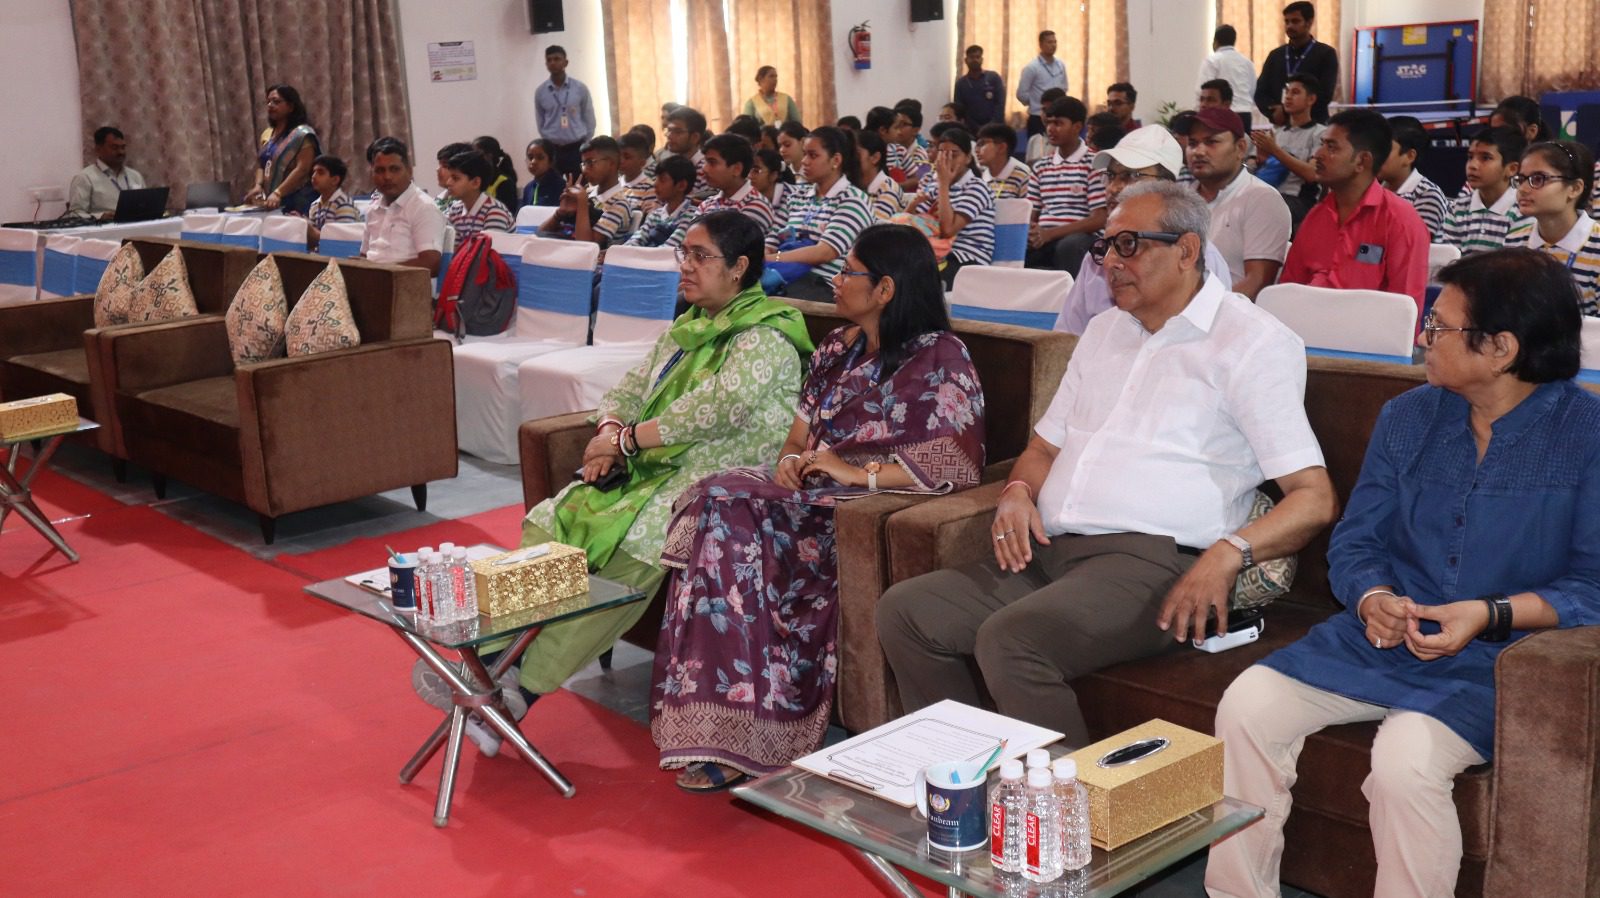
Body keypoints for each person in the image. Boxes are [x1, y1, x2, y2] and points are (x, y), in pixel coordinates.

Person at [878, 179, 1338, 745]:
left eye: (1128, 245)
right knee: (905, 612)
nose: (1108, 263)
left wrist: (1230, 551)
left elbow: (1314, 498)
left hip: (1151, 565)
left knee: (1013, 640)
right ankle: (968, 785)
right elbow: (1044, 448)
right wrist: (1018, 492)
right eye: (1104, 247)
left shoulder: (1252, 343)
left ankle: (1073, 824)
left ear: (1187, 251)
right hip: (1053, 555)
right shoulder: (1103, 331)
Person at [1205, 247, 1600, 898]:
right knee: (1246, 708)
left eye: (1440, 326)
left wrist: (1487, 613)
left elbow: (1591, 588)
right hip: (1378, 640)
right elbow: (1356, 542)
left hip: (1504, 657)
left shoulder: (1584, 434)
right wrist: (1372, 598)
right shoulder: (1409, 416)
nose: (1426, 336)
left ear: (1500, 348)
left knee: (1405, 761)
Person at [415, 211, 815, 756]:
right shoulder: (687, 327)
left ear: (740, 267)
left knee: (635, 549)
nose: (686, 267)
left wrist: (625, 442)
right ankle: (487, 660)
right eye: (686, 255)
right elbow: (626, 390)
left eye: (702, 257)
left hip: (717, 481)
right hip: (655, 467)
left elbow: (716, 410)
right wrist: (607, 432)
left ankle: (518, 693)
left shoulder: (766, 335)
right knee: (561, 516)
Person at [653, 223, 986, 790]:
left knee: (728, 519)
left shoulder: (940, 356)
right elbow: (796, 439)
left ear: (885, 289)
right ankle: (719, 724)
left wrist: (856, 472)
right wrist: (790, 462)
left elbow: (957, 462)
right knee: (717, 497)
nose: (836, 280)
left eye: (849, 271)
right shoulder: (835, 347)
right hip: (801, 492)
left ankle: (747, 732)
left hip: (855, 510)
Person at [1053, 125, 1231, 334]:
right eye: (1111, 176)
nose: (1113, 188)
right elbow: (1067, 338)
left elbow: (1218, 340)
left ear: (1167, 186)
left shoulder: (1199, 257)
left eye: (1130, 176)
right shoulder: (1098, 257)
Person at [1280, 110, 1431, 315]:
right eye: (1322, 144)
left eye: (1331, 147)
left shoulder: (1401, 221)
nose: (1318, 154)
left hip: (1368, 341)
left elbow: (1405, 313)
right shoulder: (1316, 217)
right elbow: (1288, 293)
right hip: (1309, 335)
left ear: (1362, 161)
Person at [1180, 107, 1291, 299]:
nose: (1198, 151)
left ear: (1240, 148)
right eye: (1192, 143)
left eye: (1211, 142)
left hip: (1230, 317)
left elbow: (1257, 282)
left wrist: (1199, 313)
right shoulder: (1181, 199)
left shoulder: (1261, 199)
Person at [764, 126, 875, 300]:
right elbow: (772, 238)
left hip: (826, 283)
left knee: (768, 301)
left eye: (813, 155)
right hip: (783, 274)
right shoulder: (797, 195)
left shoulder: (853, 199)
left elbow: (824, 252)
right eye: (804, 154)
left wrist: (773, 258)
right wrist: (764, 256)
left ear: (835, 160)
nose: (805, 161)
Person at [1507, 141, 1600, 314]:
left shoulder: (1596, 247)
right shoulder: (1516, 240)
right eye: (1521, 179)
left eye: (1538, 179)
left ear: (1575, 188)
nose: (1523, 189)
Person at [1027, 96, 1107, 274]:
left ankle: (1075, 301)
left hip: (1082, 238)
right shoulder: (1041, 166)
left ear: (1077, 127)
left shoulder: (1094, 163)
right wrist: (1031, 232)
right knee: (1017, 247)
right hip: (1045, 237)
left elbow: (1099, 219)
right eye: (1049, 123)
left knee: (1070, 245)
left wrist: (1050, 233)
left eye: (1058, 123)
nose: (1050, 129)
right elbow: (1031, 215)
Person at [907, 128, 997, 286]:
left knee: (914, 280)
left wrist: (943, 184)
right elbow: (912, 224)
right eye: (942, 153)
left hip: (967, 259)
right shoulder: (931, 185)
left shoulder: (977, 187)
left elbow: (948, 230)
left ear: (968, 158)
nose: (946, 160)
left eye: (954, 155)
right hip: (933, 254)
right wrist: (912, 205)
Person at [668, 133, 776, 245]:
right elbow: (685, 242)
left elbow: (728, 253)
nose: (704, 168)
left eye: (712, 162)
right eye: (705, 161)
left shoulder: (756, 206)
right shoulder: (708, 204)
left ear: (737, 169)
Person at [362, 138, 447, 275]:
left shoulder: (423, 208)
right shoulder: (373, 209)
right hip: (372, 284)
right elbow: (364, 256)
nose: (387, 176)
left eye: (394, 169)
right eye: (380, 170)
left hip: (406, 288)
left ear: (409, 171)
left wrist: (381, 272)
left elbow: (431, 263)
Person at [1441, 126, 1527, 257]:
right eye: (1470, 157)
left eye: (1485, 158)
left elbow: (1512, 267)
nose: (1473, 165)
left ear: (1512, 169)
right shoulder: (1457, 209)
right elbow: (1447, 260)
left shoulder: (1523, 211)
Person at [1254, 2, 1339, 126]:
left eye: (1295, 21)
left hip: (1314, 124)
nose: (1289, 26)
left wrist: (1287, 110)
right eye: (1287, 21)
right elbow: (1260, 92)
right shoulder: (1276, 55)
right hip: (1281, 125)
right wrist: (1273, 111)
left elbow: (1325, 94)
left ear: (1309, 23)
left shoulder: (1325, 54)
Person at [543, 136, 634, 247]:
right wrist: (560, 213)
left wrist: (582, 204)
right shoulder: (588, 192)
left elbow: (586, 247)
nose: (585, 170)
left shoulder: (619, 204)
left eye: (590, 163)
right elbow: (540, 234)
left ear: (611, 164)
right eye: (583, 164)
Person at [243, 84, 319, 214]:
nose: (270, 105)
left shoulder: (302, 135)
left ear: (290, 106)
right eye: (268, 102)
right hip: (273, 200)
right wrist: (258, 185)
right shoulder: (267, 134)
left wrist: (279, 192)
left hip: (298, 198)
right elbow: (262, 164)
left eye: (276, 102)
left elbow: (302, 169)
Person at [1378, 116, 1449, 242]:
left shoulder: (1428, 196)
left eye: (1385, 149)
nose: (1376, 155)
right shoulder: (1372, 191)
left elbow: (1412, 248)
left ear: (1410, 156)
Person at [534, 45, 597, 178]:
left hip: (577, 147)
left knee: (580, 184)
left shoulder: (579, 88)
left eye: (557, 59)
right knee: (555, 187)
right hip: (552, 149)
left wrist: (585, 142)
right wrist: (547, 143)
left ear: (565, 62)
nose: (553, 63)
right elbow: (540, 122)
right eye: (549, 60)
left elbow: (589, 118)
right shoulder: (541, 92)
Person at [67, 126, 145, 219]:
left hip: (138, 228)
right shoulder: (85, 177)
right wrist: (101, 216)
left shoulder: (135, 175)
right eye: (114, 147)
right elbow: (75, 214)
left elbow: (145, 205)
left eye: (123, 147)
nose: (121, 152)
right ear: (98, 149)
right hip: (104, 230)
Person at [625, 155, 698, 248]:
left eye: (662, 180)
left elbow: (668, 249)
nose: (655, 184)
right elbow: (637, 239)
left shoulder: (692, 216)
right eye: (656, 178)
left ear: (681, 185)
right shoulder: (656, 214)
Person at [442, 151, 515, 243]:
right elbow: (453, 248)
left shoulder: (494, 211)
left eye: (455, 178)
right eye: (449, 177)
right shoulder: (455, 210)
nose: (448, 183)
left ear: (476, 182)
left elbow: (490, 252)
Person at [1198, 24, 1259, 123]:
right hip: (1245, 113)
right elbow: (1253, 89)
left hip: (1221, 113)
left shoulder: (1212, 60)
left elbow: (1203, 90)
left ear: (1215, 42)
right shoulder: (1247, 62)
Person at [303, 155, 361, 251]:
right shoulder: (314, 205)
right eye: (313, 172)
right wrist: (302, 223)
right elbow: (312, 238)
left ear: (335, 180)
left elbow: (343, 242)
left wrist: (310, 230)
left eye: (320, 173)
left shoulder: (343, 203)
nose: (313, 177)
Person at [1018, 30, 1068, 138]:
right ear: (1040, 45)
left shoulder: (1061, 65)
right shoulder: (1031, 67)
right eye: (1049, 42)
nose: (1053, 45)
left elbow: (1064, 88)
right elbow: (1021, 94)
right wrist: (1035, 103)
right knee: (1038, 150)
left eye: (1055, 42)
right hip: (1038, 118)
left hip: (1058, 116)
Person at [976, 123, 1037, 201]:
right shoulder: (980, 176)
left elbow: (1027, 210)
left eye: (982, 144)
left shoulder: (1022, 176)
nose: (977, 150)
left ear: (1001, 147)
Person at [954, 44, 1006, 134]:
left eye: (978, 57)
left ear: (982, 60)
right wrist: (975, 127)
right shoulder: (961, 84)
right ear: (966, 60)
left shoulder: (993, 77)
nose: (975, 60)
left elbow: (1000, 103)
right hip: (970, 130)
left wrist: (991, 125)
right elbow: (960, 109)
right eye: (971, 57)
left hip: (995, 128)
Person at [855, 130, 906, 220]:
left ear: (875, 158)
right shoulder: (852, 185)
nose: (850, 158)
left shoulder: (888, 189)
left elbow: (874, 229)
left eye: (856, 154)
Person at [666, 107, 713, 200]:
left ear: (695, 137)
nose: (669, 136)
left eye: (677, 132)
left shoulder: (706, 169)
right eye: (669, 130)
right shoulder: (670, 165)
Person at [888, 103, 932, 189]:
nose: (898, 128)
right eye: (896, 124)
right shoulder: (892, 149)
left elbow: (921, 180)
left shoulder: (920, 154)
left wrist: (893, 188)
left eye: (903, 124)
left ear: (915, 130)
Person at [473, 136, 520, 212]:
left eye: (476, 154)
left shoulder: (505, 182)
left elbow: (506, 212)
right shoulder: (476, 179)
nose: (472, 158)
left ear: (489, 156)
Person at [618, 131, 657, 214]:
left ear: (642, 162)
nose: (621, 160)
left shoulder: (649, 188)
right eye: (618, 155)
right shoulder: (615, 183)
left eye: (627, 157)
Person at [1025, 88, 1066, 165]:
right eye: (1044, 110)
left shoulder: (1066, 142)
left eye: (1051, 110)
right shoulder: (1034, 140)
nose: (1046, 115)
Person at [522, 138, 565, 208]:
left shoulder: (560, 186)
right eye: (530, 157)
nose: (533, 162)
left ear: (551, 161)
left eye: (540, 158)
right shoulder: (528, 188)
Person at [432, 142, 473, 213]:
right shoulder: (437, 200)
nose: (438, 169)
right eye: (439, 165)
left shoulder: (469, 202)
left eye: (445, 166)